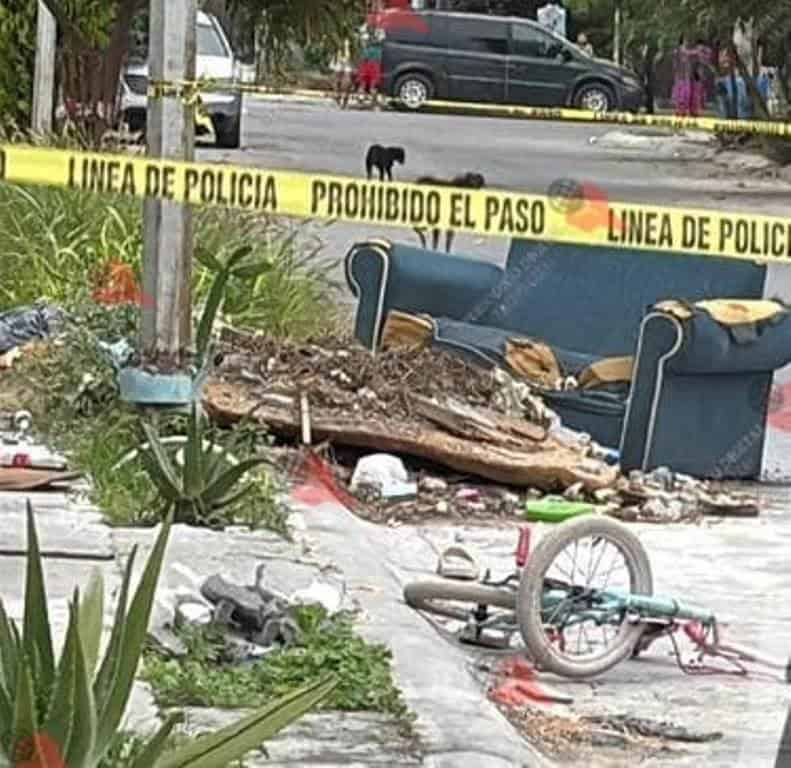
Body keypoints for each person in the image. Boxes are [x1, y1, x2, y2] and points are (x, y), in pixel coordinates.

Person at [671, 35, 704, 116]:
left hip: (693, 77)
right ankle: (681, 111)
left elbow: (700, 63)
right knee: (682, 95)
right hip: (682, 77)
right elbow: (676, 62)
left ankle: (693, 111)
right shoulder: (679, 50)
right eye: (687, 39)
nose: (689, 41)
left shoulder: (696, 51)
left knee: (694, 95)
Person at [357, 27, 384, 108]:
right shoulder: (368, 31)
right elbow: (379, 40)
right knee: (366, 84)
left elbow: (379, 40)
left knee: (370, 84)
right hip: (369, 62)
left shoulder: (375, 31)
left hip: (371, 62)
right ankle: (366, 101)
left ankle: (367, 101)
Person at [330, 39, 354, 109]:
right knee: (337, 83)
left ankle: (343, 102)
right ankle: (339, 100)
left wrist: (347, 46)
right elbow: (332, 66)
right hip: (339, 68)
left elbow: (347, 57)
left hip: (345, 69)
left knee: (346, 84)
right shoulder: (336, 55)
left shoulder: (348, 53)